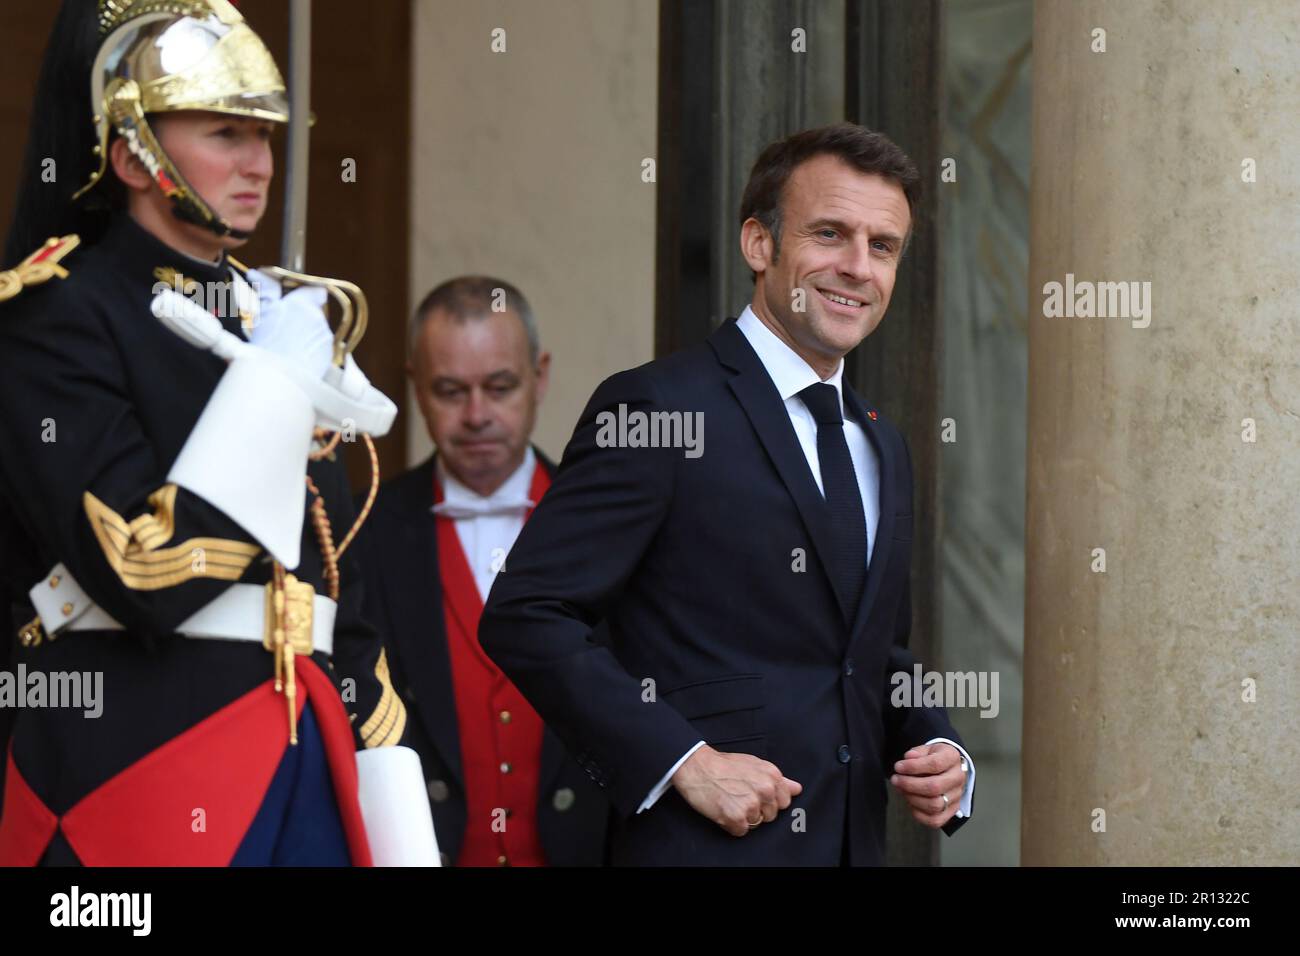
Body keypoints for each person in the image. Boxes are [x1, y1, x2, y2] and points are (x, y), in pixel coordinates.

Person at [0, 0, 434, 866]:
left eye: (265, 136)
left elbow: (329, 586)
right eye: (224, 135)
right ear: (131, 154)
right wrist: (272, 396)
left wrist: (386, 775)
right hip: (138, 760)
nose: (259, 164)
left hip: (304, 753)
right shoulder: (59, 314)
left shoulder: (272, 314)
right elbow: (140, 567)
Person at [480, 123, 977, 866]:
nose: (856, 267)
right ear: (758, 245)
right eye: (830, 234)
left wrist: (936, 742)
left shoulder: (883, 442)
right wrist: (684, 761)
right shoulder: (657, 409)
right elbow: (527, 614)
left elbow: (871, 655)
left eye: (882, 246)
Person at [355, 277, 611, 866]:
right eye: (449, 391)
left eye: (500, 387)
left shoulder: (605, 523)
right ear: (414, 386)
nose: (476, 415)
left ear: (539, 376)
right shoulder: (364, 530)